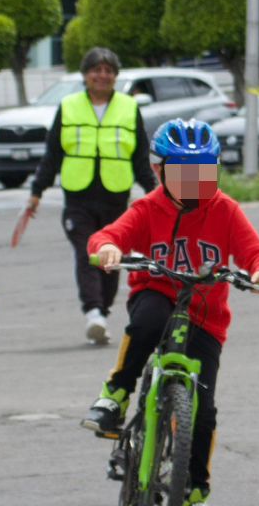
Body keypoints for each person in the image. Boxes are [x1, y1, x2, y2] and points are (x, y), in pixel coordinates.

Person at [83, 118, 259, 506]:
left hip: (205, 317)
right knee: (149, 320)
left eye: (203, 172)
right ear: (159, 171)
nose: (194, 181)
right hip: (157, 294)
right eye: (183, 172)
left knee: (203, 410)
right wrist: (110, 249)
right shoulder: (147, 208)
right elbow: (106, 236)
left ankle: (193, 496)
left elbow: (257, 251)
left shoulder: (224, 209)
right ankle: (115, 395)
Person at [15, 46, 156, 345]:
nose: (102, 75)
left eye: (108, 71)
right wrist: (36, 192)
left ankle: (101, 312)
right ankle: (92, 311)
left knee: (113, 258)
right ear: (85, 75)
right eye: (96, 70)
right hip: (78, 199)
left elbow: (141, 159)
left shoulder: (129, 109)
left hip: (116, 199)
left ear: (115, 76)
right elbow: (52, 154)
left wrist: (156, 194)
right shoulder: (68, 106)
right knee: (87, 253)